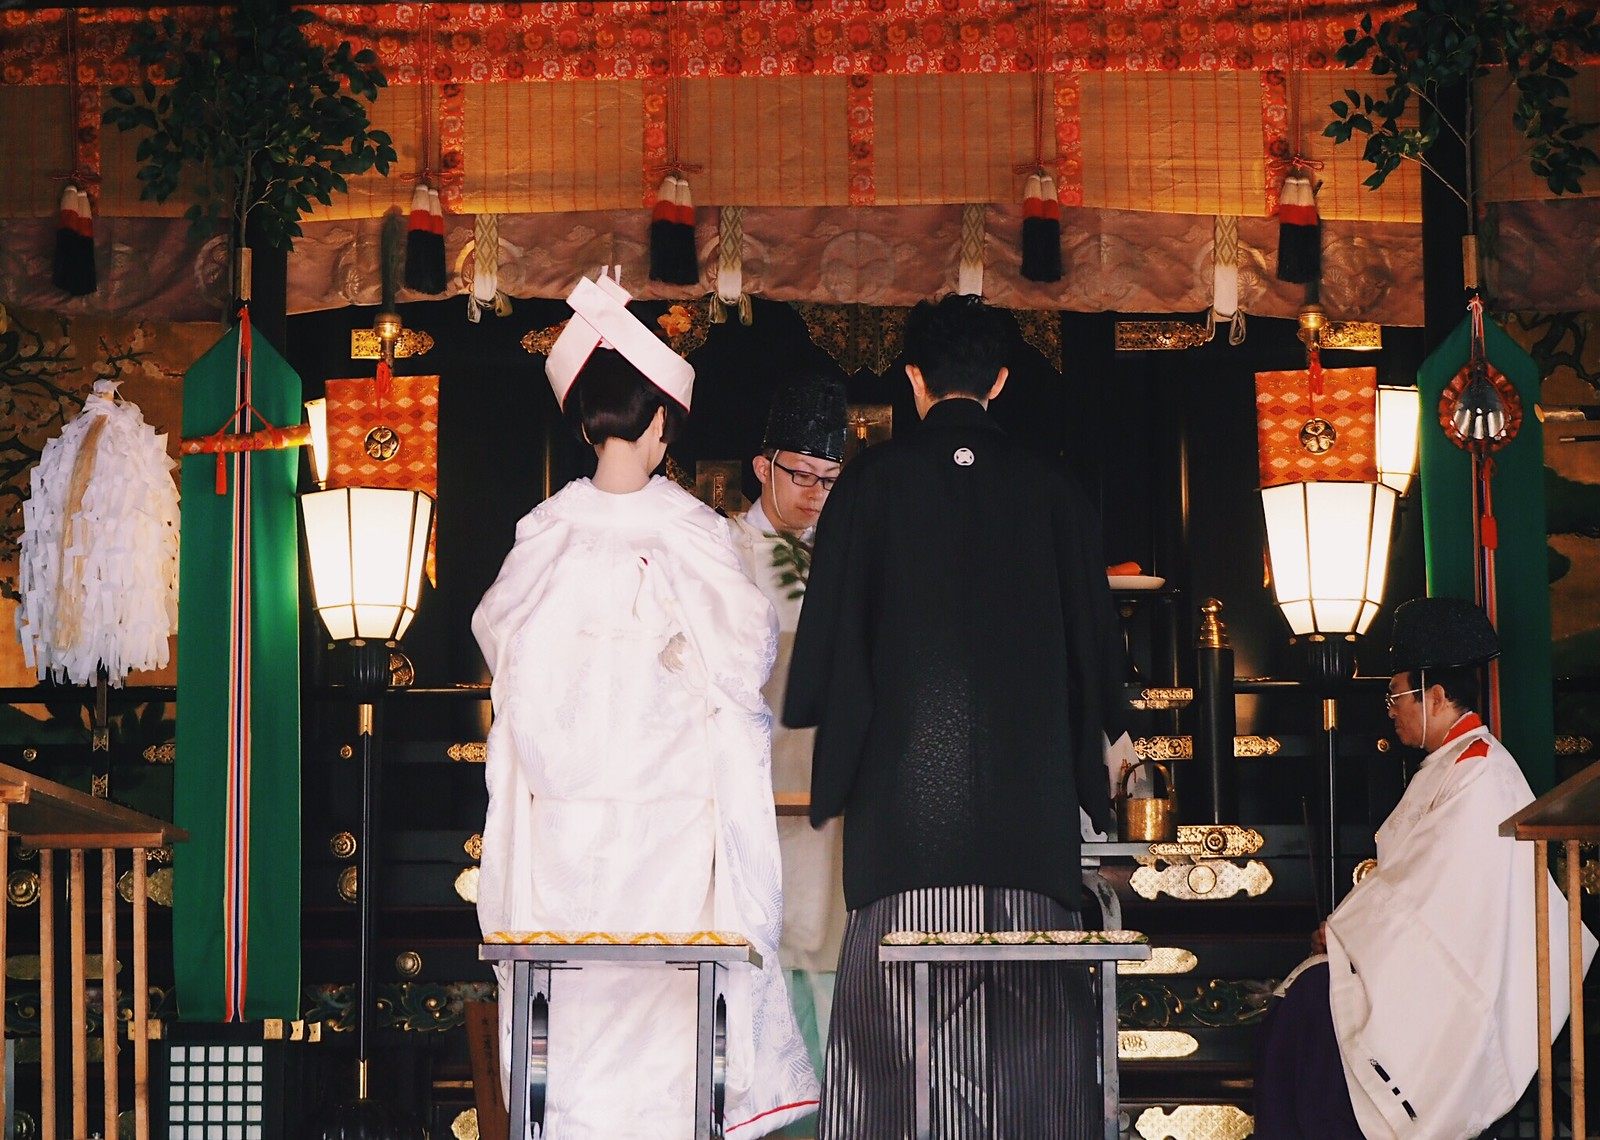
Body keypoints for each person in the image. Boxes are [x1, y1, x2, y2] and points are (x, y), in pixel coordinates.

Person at [473, 274, 818, 1138]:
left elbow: (504, 657)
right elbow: (746, 656)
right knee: (675, 1025)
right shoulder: (691, 531)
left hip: (565, 841)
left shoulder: (544, 532)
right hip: (670, 837)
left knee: (577, 1023)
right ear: (661, 422)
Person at [783, 292, 1126, 1138]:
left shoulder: (871, 486)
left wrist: (832, 769)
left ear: (913, 381)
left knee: (895, 1078)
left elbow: (829, 644)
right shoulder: (1053, 490)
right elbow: (1098, 654)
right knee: (1030, 1070)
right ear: (1001, 382)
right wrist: (1093, 769)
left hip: (905, 837)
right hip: (1026, 837)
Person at [1254, 596, 1595, 1140]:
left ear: (1434, 696)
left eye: (1396, 695)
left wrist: (1342, 934)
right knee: (1301, 1013)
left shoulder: (1482, 775)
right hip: (1413, 964)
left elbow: (1429, 893)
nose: (1391, 708)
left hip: (1451, 983)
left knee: (1313, 1021)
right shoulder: (1451, 764)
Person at [728, 378, 851, 1078]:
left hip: (826, 808)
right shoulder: (721, 553)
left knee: (825, 968)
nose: (813, 493)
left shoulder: (840, 559)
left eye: (829, 480)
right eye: (800, 475)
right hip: (753, 803)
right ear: (762, 467)